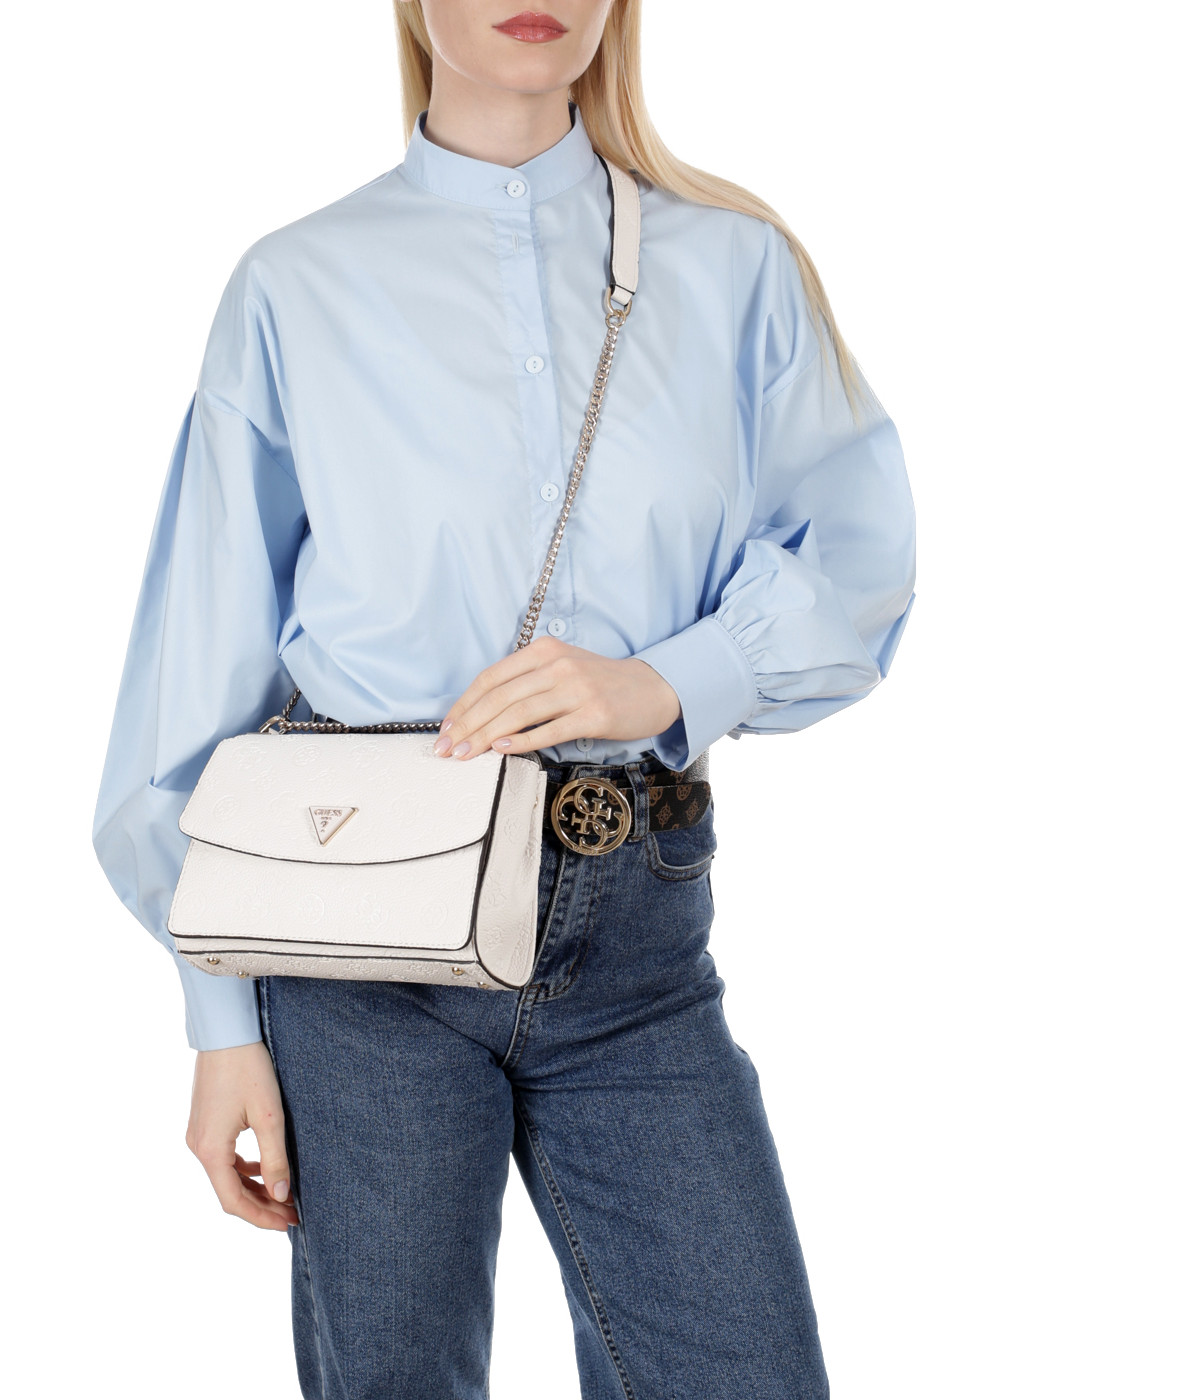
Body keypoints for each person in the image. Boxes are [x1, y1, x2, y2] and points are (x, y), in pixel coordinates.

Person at [93, 2, 915, 1395]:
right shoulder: (297, 284)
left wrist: (661, 680)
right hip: (359, 946)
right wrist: (220, 1023)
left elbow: (859, 557)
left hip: (639, 934)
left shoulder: (732, 262)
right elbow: (197, 678)